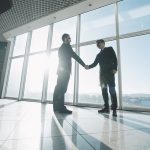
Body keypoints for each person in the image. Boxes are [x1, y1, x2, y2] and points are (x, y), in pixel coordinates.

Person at [53, 33, 87, 114]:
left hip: (61, 71)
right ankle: (61, 108)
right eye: (69, 38)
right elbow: (75, 56)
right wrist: (84, 65)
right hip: (64, 71)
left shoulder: (61, 48)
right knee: (62, 89)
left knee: (59, 88)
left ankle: (57, 107)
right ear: (65, 39)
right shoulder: (67, 47)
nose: (70, 40)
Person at [85, 39, 118, 116]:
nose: (98, 45)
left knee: (112, 90)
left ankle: (114, 109)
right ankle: (106, 108)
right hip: (102, 76)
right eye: (97, 44)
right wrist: (88, 66)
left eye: (99, 43)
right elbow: (94, 64)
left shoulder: (110, 49)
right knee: (104, 91)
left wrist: (115, 68)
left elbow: (115, 58)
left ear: (103, 43)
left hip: (110, 74)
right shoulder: (98, 55)